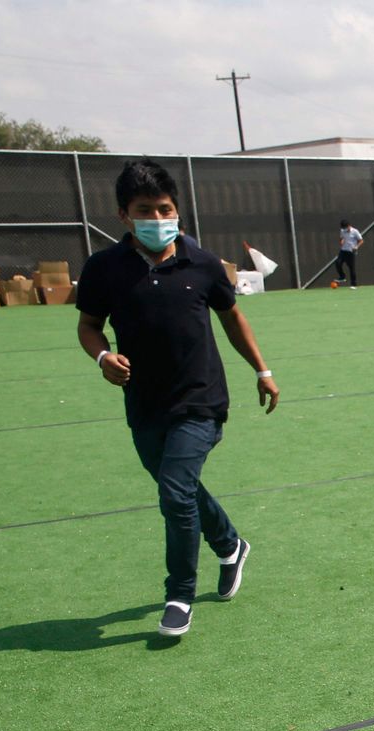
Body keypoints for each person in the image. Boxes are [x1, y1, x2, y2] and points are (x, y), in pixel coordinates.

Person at [75, 159, 280, 638]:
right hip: (144, 402)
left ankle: (180, 594)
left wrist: (262, 370)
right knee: (179, 488)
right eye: (145, 210)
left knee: (174, 490)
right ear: (124, 215)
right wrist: (102, 356)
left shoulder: (204, 263)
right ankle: (230, 545)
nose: (157, 218)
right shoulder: (104, 268)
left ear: (178, 211)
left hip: (201, 400)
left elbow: (233, 319)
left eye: (165, 209)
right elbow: (88, 325)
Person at [337, 219, 364, 288]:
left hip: (351, 251)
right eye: (343, 228)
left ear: (349, 226)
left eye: (345, 227)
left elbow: (361, 240)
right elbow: (341, 238)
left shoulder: (355, 231)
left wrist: (356, 247)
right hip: (343, 250)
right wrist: (342, 241)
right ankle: (342, 277)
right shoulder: (342, 230)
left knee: (351, 268)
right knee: (338, 263)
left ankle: (353, 284)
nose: (344, 229)